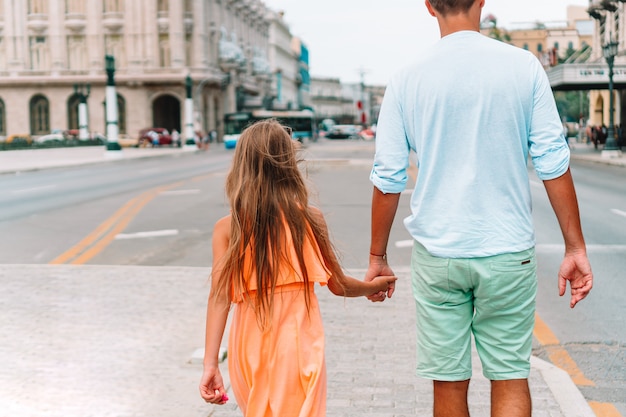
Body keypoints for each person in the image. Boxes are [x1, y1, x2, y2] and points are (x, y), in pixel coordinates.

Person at [366, 1, 594, 417]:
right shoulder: (523, 67)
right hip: (508, 252)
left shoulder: (405, 79)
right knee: (510, 376)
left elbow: (388, 177)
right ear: (482, 1)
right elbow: (552, 161)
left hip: (439, 254)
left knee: (449, 386)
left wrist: (377, 256)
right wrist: (574, 247)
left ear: (429, 6)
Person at [199, 119, 396, 416]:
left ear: (241, 165)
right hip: (297, 342)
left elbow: (219, 298)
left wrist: (210, 364)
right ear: (288, 163)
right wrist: (375, 286)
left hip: (247, 345)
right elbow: (338, 284)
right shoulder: (308, 218)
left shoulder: (228, 227)